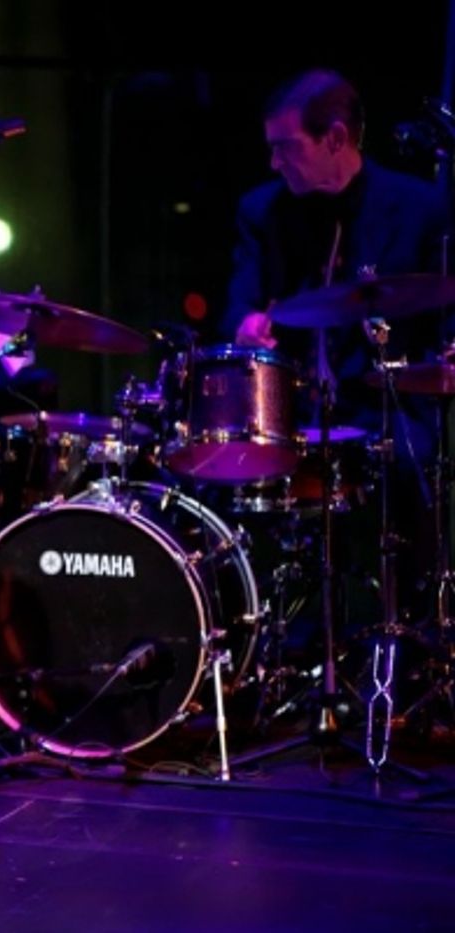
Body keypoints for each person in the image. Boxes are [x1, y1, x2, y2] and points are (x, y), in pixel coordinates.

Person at [222, 68, 453, 623]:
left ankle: (410, 627)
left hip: (386, 404)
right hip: (292, 409)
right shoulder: (263, 211)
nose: (275, 162)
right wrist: (247, 324)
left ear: (335, 139)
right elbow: (240, 302)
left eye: (285, 148)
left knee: (413, 466)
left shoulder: (420, 208)